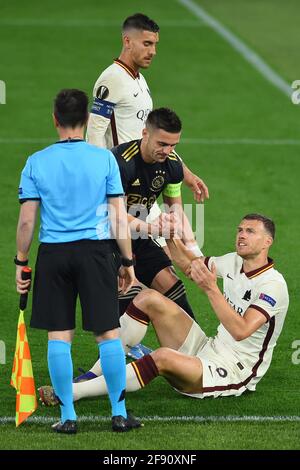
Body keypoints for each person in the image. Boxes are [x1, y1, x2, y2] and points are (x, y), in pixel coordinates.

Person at [39, 214, 289, 405]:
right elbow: (192, 268)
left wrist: (212, 290)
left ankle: (71, 393)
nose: (241, 235)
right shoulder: (234, 262)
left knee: (162, 356)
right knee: (149, 297)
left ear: (268, 241)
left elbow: (241, 331)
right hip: (208, 348)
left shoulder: (272, 286)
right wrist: (170, 236)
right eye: (240, 230)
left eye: (250, 232)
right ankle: (94, 374)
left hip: (234, 370)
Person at [15, 89, 142, 433]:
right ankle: (119, 413)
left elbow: (27, 221)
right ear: (86, 121)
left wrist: (20, 261)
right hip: (96, 253)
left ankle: (68, 416)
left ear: (54, 119)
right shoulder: (104, 160)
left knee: (60, 334)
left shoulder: (36, 162)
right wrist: (128, 261)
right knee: (108, 333)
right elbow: (118, 217)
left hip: (54, 255)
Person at [77, 107, 200, 384]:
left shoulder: (171, 165)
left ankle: (196, 353)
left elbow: (176, 211)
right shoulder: (119, 162)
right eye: (162, 143)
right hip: (104, 237)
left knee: (171, 283)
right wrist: (152, 228)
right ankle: (95, 376)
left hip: (140, 235)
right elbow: (113, 216)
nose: (167, 150)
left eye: (173, 145)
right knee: (125, 301)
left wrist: (185, 243)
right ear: (145, 134)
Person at [86, 12, 209, 232]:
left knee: (167, 248)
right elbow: (94, 133)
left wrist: (186, 173)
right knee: (161, 249)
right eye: (147, 44)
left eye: (155, 44)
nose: (153, 51)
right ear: (127, 41)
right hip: (124, 187)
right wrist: (103, 185)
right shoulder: (112, 78)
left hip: (144, 184)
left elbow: (156, 137)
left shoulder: (139, 79)